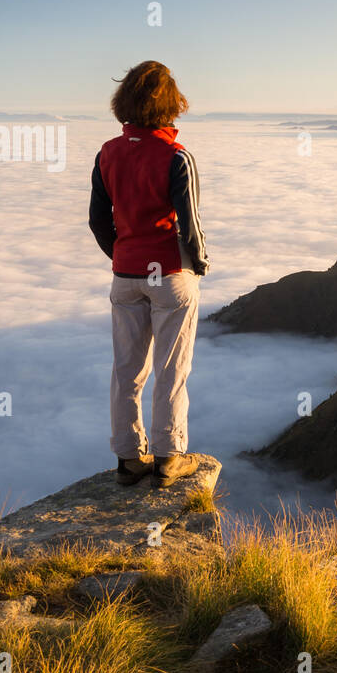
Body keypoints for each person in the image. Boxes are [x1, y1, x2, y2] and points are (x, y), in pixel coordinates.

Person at [88, 61, 210, 487]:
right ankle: (168, 457)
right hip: (170, 273)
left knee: (127, 369)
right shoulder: (176, 156)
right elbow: (189, 223)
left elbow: (98, 220)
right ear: (170, 103)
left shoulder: (107, 153)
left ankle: (127, 459)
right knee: (171, 369)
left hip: (125, 274)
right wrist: (201, 262)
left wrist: (122, 257)